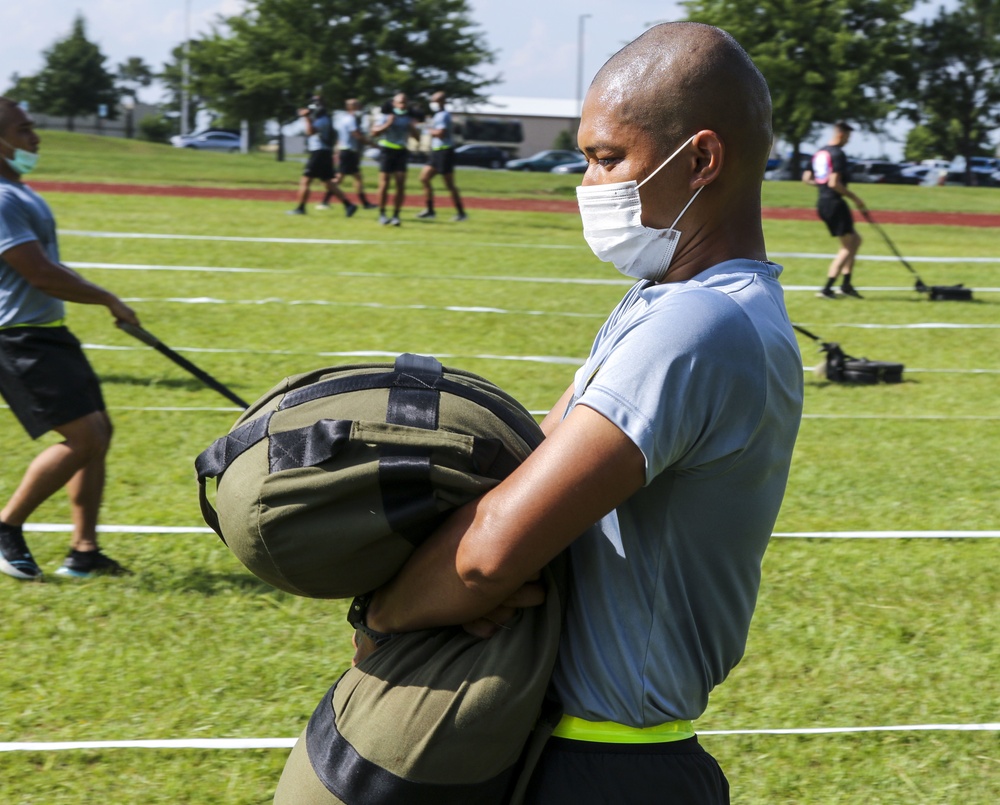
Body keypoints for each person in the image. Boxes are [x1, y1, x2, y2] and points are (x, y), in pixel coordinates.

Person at [351, 22, 804, 804]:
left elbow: (490, 552)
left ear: (700, 159)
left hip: (606, 766)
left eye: (607, 159)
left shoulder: (699, 325)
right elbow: (536, 456)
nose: (588, 186)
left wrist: (383, 616)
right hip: (561, 745)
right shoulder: (664, 301)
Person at [0, 98, 139, 581]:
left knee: (98, 434)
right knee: (82, 437)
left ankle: (84, 552)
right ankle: (6, 526)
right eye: (23, 130)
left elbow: (50, 265)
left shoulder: (20, 191)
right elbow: (37, 273)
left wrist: (101, 298)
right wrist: (106, 298)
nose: (34, 137)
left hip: (46, 332)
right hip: (16, 338)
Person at [803, 121, 866, 298]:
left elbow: (806, 178)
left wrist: (822, 187)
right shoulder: (838, 154)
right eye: (848, 136)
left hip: (823, 202)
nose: (848, 140)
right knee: (848, 245)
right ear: (841, 134)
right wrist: (856, 198)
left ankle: (846, 284)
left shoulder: (819, 152)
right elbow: (834, 183)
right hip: (835, 202)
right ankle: (827, 288)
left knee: (855, 240)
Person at [288, 94, 357, 218]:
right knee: (328, 183)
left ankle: (300, 208)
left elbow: (310, 132)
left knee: (305, 180)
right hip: (323, 152)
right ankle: (348, 205)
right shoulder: (324, 118)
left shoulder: (322, 120)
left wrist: (306, 117)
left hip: (318, 152)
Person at [416, 90, 467, 222]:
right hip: (436, 151)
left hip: (445, 152)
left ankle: (461, 213)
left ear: (443, 101)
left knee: (449, 184)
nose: (433, 103)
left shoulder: (443, 115)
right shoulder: (437, 115)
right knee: (424, 178)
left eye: (436, 100)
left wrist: (426, 129)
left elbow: (441, 133)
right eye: (432, 100)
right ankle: (430, 210)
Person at [370, 93, 420, 226]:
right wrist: (388, 124)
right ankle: (382, 214)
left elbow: (417, 137)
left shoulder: (409, 119)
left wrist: (412, 128)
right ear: (394, 103)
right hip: (387, 151)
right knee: (384, 184)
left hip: (401, 151)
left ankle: (396, 215)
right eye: (400, 102)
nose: (402, 105)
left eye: (404, 102)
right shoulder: (386, 116)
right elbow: (374, 133)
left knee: (400, 185)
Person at [319, 98, 376, 211]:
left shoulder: (343, 119)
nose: (359, 106)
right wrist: (372, 144)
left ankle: (365, 203)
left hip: (346, 151)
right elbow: (357, 135)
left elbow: (341, 137)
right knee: (339, 179)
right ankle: (324, 202)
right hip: (348, 152)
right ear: (350, 107)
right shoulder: (350, 120)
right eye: (356, 105)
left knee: (356, 177)